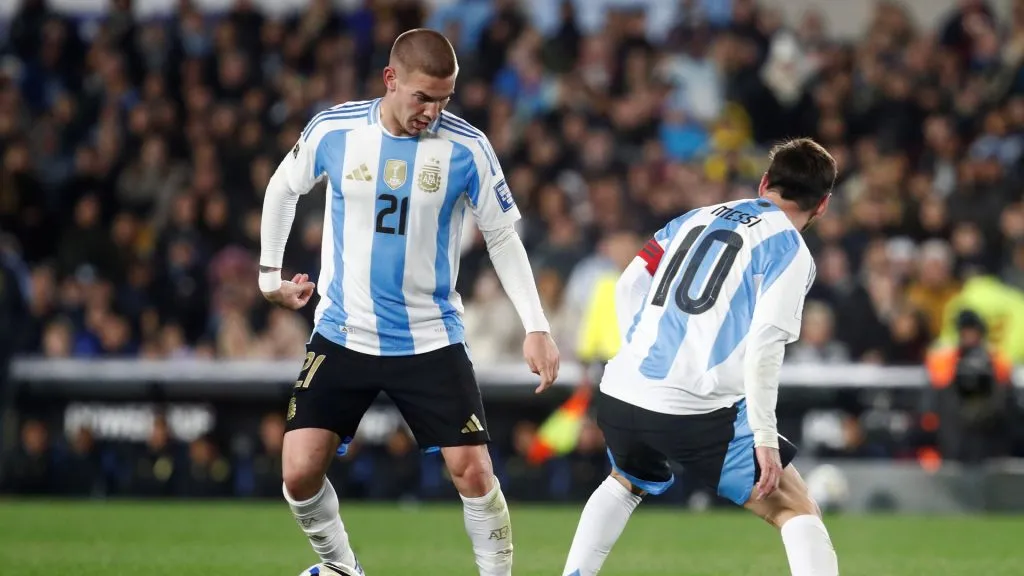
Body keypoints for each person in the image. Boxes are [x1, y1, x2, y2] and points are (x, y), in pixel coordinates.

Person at [258, 29, 560, 576]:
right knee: (299, 473)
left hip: (430, 336)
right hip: (343, 330)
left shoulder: (467, 147)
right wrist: (266, 276)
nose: (433, 111)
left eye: (444, 98)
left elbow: (502, 238)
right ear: (390, 80)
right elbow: (283, 188)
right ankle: (342, 569)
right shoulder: (335, 129)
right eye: (423, 97)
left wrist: (535, 324)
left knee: (472, 471)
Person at [561, 138, 839, 576]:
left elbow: (629, 283)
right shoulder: (790, 249)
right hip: (695, 408)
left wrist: (641, 353)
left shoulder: (696, 217)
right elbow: (767, 343)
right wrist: (765, 436)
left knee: (624, 481)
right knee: (795, 506)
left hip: (622, 389)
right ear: (821, 206)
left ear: (765, 182)